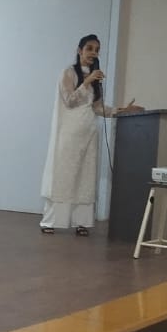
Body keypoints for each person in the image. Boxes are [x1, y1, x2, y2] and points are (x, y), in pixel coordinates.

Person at [40, 34, 142, 236]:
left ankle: (82, 222)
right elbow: (69, 100)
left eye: (97, 50)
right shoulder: (68, 73)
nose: (93, 53)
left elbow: (97, 107)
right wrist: (87, 80)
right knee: (65, 175)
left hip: (89, 133)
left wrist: (122, 110)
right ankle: (51, 221)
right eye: (89, 48)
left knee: (85, 177)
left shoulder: (95, 80)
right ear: (79, 50)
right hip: (69, 133)